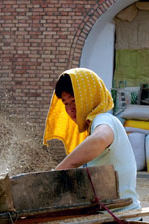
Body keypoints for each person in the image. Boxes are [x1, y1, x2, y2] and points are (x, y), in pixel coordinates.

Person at [43, 67, 140, 210]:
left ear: (89, 97)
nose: (70, 109)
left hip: (123, 217)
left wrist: (60, 170)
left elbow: (100, 139)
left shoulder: (105, 119)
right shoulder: (92, 127)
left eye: (74, 100)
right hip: (103, 216)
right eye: (66, 103)